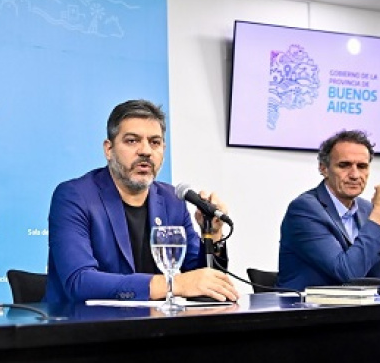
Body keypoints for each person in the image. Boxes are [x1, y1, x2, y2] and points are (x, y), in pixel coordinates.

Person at [43, 99, 238, 303]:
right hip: (85, 321)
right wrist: (173, 285)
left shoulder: (172, 200)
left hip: (153, 321)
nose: (146, 151)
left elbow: (201, 280)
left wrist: (213, 234)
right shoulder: (74, 196)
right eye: (132, 141)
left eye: (155, 142)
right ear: (108, 149)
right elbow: (79, 282)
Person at [277, 130, 380, 290]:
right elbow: (347, 274)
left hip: (359, 304)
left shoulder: (366, 209)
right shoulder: (305, 209)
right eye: (344, 165)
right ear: (324, 169)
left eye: (362, 166)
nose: (355, 175)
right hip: (308, 305)